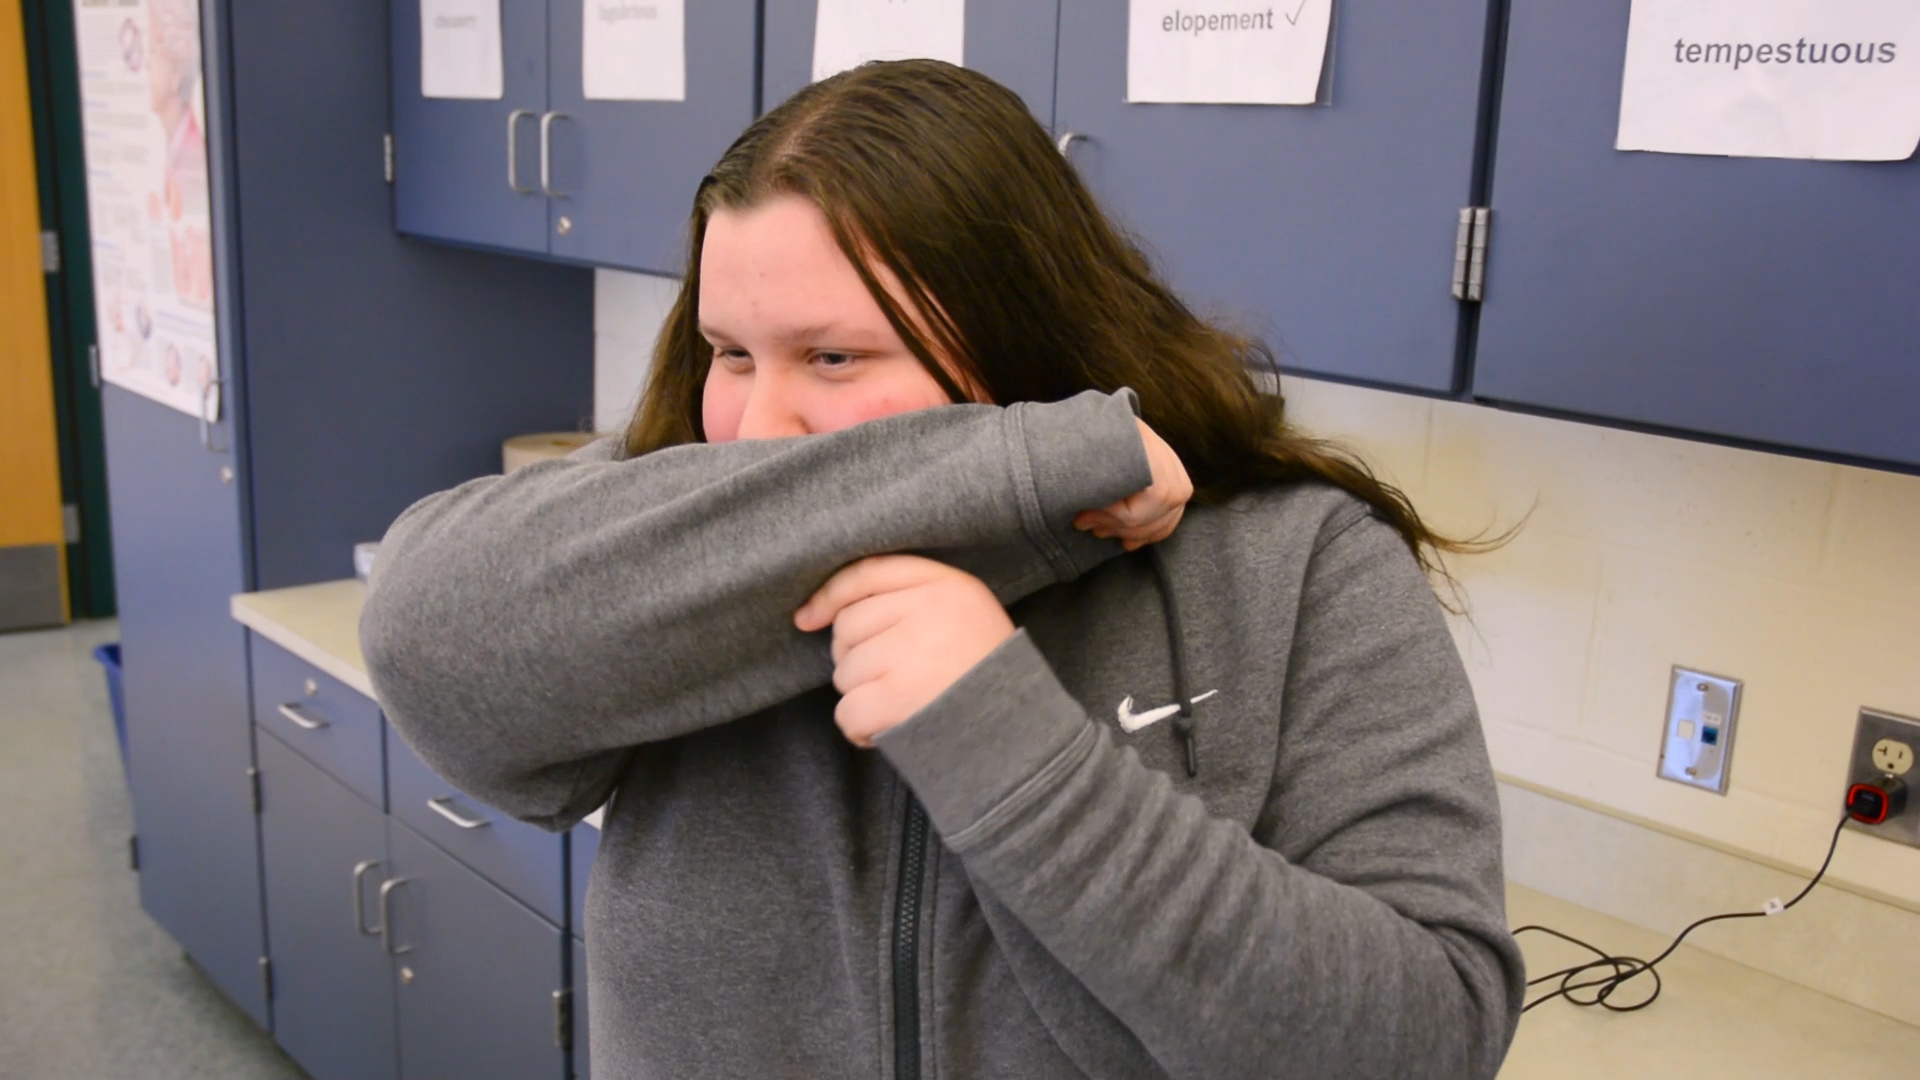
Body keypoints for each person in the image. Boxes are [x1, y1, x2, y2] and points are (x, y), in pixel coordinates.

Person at [362, 60, 1523, 1080]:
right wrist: (1033, 466)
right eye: (729, 354)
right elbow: (424, 633)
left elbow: (1426, 1040)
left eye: (833, 355)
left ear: (1027, 331)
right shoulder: (689, 532)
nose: (757, 429)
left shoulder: (1297, 566)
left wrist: (1008, 749)